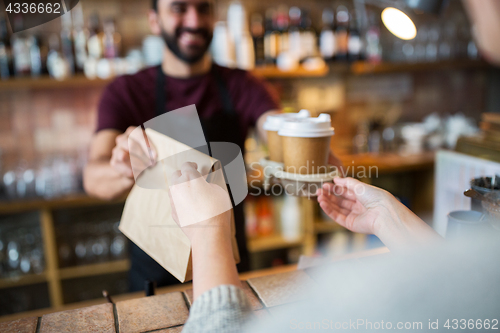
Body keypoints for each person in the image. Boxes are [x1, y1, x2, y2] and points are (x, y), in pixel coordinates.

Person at [84, 0, 287, 291]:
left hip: (228, 270)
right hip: (153, 277)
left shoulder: (242, 85)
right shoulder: (126, 92)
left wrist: (302, 139)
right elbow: (93, 178)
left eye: (203, 8)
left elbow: (275, 127)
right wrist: (123, 168)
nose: (193, 21)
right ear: (154, 20)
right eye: (179, 8)